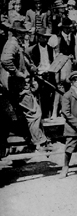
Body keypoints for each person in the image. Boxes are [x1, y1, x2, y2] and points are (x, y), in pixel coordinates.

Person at [1, 20, 49, 149]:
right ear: (16, 33)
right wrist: (17, 73)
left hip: (20, 84)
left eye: (24, 33)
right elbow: (6, 60)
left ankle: (33, 139)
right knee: (34, 113)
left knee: (27, 113)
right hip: (19, 86)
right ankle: (39, 142)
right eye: (21, 32)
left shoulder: (17, 44)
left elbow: (23, 59)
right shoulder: (12, 44)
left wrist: (31, 67)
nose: (24, 35)